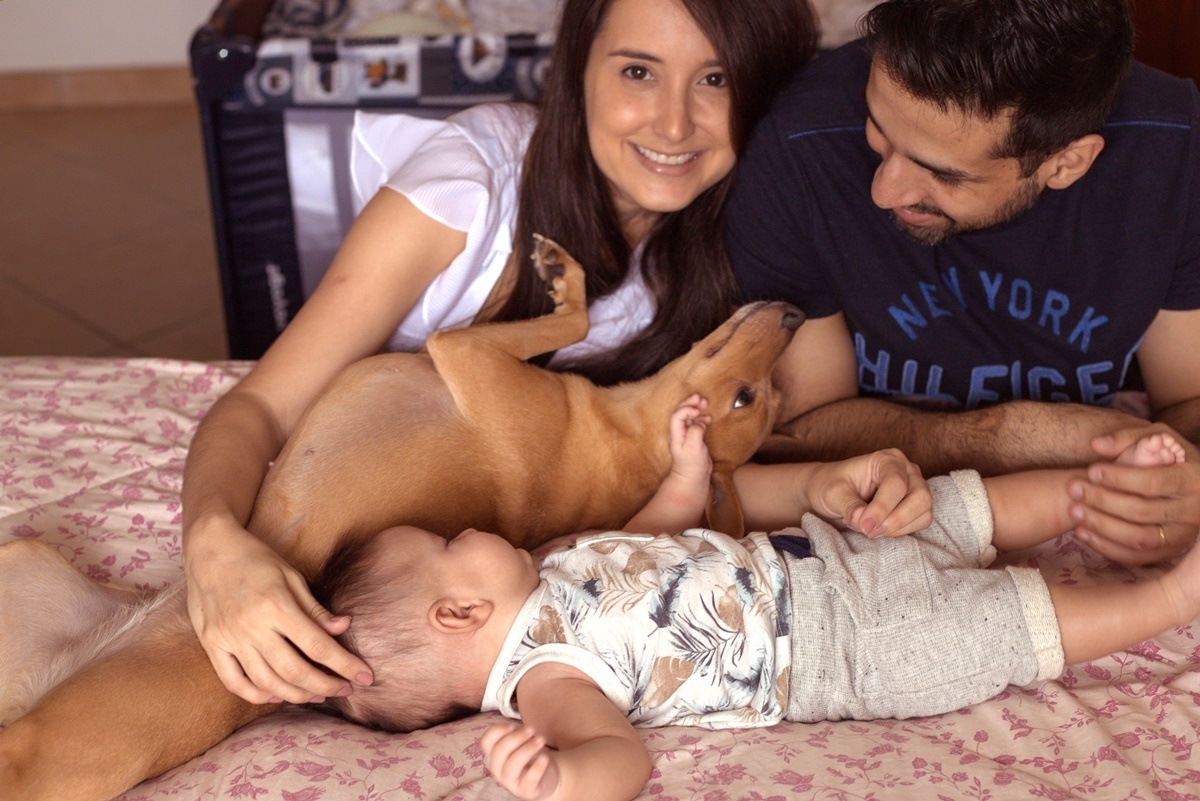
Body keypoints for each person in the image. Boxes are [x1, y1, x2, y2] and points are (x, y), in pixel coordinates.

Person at [181, 0, 817, 709]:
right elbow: (263, 403)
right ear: (579, 68)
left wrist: (833, 481)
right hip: (377, 573)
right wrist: (211, 541)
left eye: (716, 79)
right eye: (639, 70)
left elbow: (739, 452)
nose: (673, 124)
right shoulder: (470, 185)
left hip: (487, 613)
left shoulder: (744, 241)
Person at [310, 418, 1196, 801]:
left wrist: (686, 480)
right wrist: (561, 781)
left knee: (973, 504)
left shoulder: (548, 566)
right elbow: (615, 757)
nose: (464, 525)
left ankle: (1108, 487)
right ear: (458, 614)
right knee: (1019, 620)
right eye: (443, 540)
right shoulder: (548, 679)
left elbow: (646, 540)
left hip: (825, 550)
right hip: (847, 648)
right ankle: (1168, 595)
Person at [724, 0, 1200, 566]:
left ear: (1067, 162)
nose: (884, 190)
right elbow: (802, 429)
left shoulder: (1173, 147)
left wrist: (1173, 490)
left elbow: (1191, 401)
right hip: (872, 533)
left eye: (943, 173)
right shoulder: (796, 141)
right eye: (878, 130)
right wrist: (1020, 435)